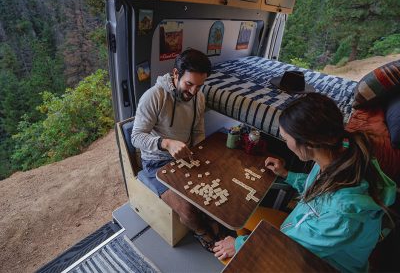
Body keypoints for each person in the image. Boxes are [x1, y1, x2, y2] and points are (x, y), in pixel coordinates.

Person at [213, 93, 396, 272]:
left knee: (236, 256)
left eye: (286, 139)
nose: (285, 143)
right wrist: (287, 174)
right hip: (301, 229)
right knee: (247, 216)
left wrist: (238, 245)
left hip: (322, 263)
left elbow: (290, 247)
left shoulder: (343, 213)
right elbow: (316, 187)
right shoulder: (339, 152)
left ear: (308, 143)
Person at [131, 49, 218, 251]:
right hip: (156, 162)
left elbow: (198, 131)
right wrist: (166, 143)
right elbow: (136, 137)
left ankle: (209, 221)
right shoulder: (154, 96)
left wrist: (199, 155)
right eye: (189, 84)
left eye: (199, 85)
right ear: (176, 74)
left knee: (215, 186)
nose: (194, 91)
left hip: (186, 156)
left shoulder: (199, 97)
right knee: (187, 210)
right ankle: (203, 233)